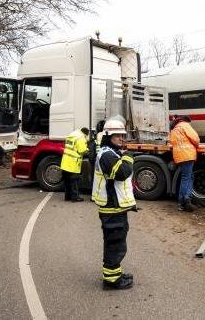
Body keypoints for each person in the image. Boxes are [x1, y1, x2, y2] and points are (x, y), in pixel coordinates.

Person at [91, 117, 137, 290]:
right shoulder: (107, 154)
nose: (121, 138)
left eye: (122, 135)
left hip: (114, 208)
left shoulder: (110, 152)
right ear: (108, 136)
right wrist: (128, 159)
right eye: (117, 135)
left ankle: (114, 274)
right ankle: (112, 281)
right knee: (115, 244)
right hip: (112, 209)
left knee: (116, 243)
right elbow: (121, 172)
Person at [168, 115, 200, 212]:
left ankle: (184, 200)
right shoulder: (185, 125)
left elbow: (172, 142)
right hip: (188, 155)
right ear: (186, 120)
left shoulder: (174, 129)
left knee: (188, 177)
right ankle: (184, 201)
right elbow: (195, 139)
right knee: (186, 177)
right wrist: (197, 145)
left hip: (179, 156)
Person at [60, 126, 89, 202]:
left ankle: (67, 197)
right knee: (74, 181)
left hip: (65, 161)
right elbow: (82, 150)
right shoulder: (81, 138)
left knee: (67, 181)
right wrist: (87, 149)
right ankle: (75, 197)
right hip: (73, 162)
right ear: (85, 133)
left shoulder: (72, 135)